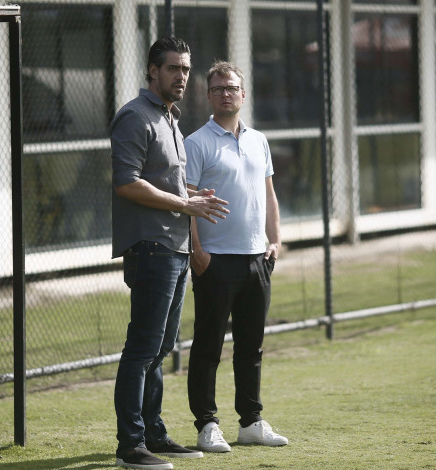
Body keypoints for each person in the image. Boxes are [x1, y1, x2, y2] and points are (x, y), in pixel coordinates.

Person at [110, 37, 229, 470]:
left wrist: (194, 196)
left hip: (175, 248)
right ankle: (131, 446)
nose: (182, 76)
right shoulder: (134, 117)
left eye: (186, 68)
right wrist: (185, 204)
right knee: (142, 349)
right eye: (174, 68)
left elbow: (164, 183)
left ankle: (154, 435)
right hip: (151, 248)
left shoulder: (170, 119)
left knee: (160, 350)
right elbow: (128, 182)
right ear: (152, 71)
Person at [185, 61, 288, 453]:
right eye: (218, 88)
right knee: (208, 346)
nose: (226, 93)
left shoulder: (259, 141)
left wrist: (274, 240)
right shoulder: (196, 143)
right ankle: (207, 425)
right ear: (209, 96)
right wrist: (198, 251)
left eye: (232, 87)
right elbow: (186, 201)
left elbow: (268, 194)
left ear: (243, 95)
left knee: (251, 347)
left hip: (257, 259)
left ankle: (251, 422)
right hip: (215, 262)